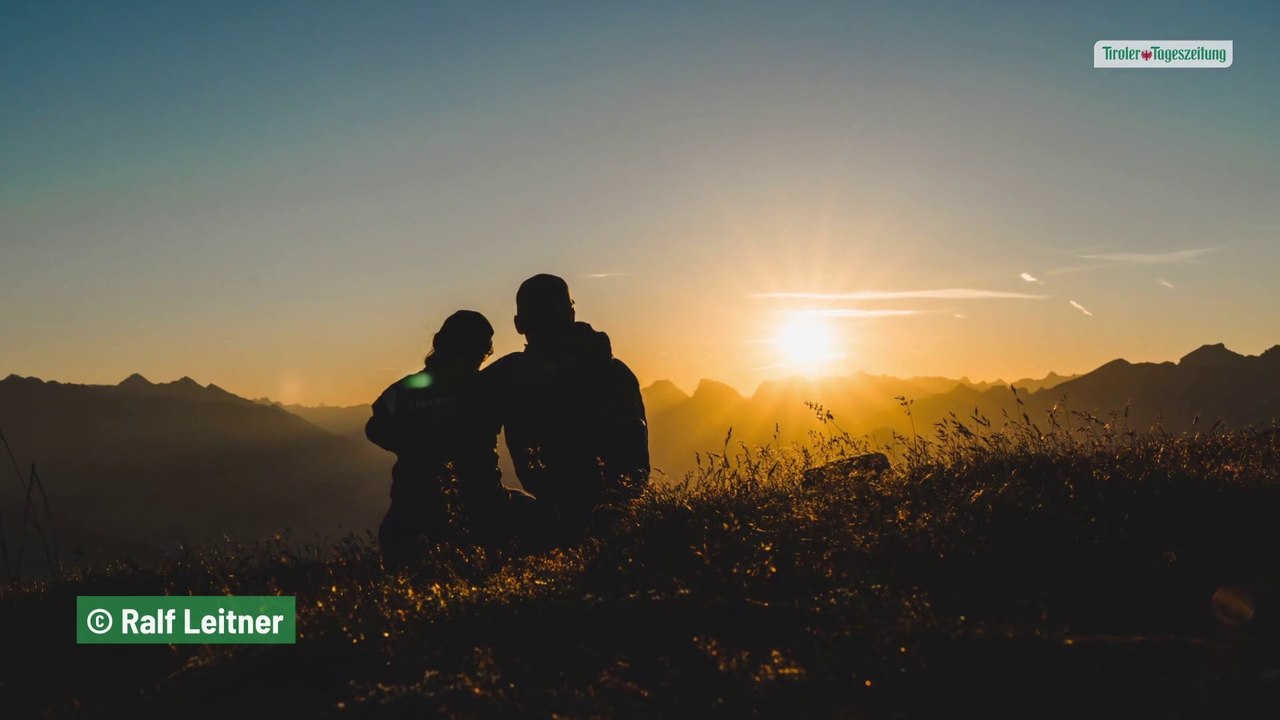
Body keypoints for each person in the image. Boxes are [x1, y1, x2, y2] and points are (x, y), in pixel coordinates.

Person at [481, 274, 650, 548]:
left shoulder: (508, 376)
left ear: (518, 324)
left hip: (553, 521)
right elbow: (637, 464)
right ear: (571, 315)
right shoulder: (616, 373)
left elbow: (456, 410)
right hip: (619, 522)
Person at [365, 310, 507, 569]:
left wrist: (414, 446)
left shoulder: (403, 390)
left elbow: (374, 428)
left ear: (438, 343)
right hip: (482, 507)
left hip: (411, 508)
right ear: (483, 351)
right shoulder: (486, 387)